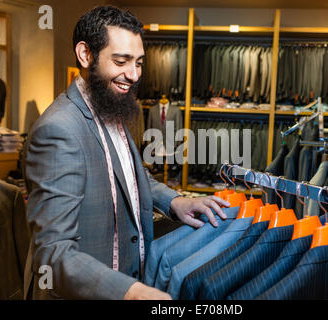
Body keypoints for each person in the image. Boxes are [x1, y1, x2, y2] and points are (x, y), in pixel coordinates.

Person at [23, 6, 229, 300]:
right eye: (121, 61)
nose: (133, 75)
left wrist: (176, 201)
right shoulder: (58, 131)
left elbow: (131, 174)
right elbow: (52, 252)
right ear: (85, 55)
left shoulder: (108, 106)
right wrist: (129, 292)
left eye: (139, 63)